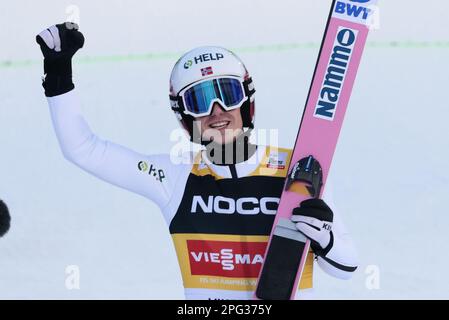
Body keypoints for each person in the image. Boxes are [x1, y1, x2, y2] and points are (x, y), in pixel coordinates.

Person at [36, 22, 358, 300]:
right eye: (200, 100)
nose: (217, 111)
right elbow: (83, 149)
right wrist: (59, 77)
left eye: (227, 93)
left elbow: (346, 266)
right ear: (184, 118)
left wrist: (326, 240)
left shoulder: (297, 170)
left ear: (247, 103)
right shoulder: (173, 177)